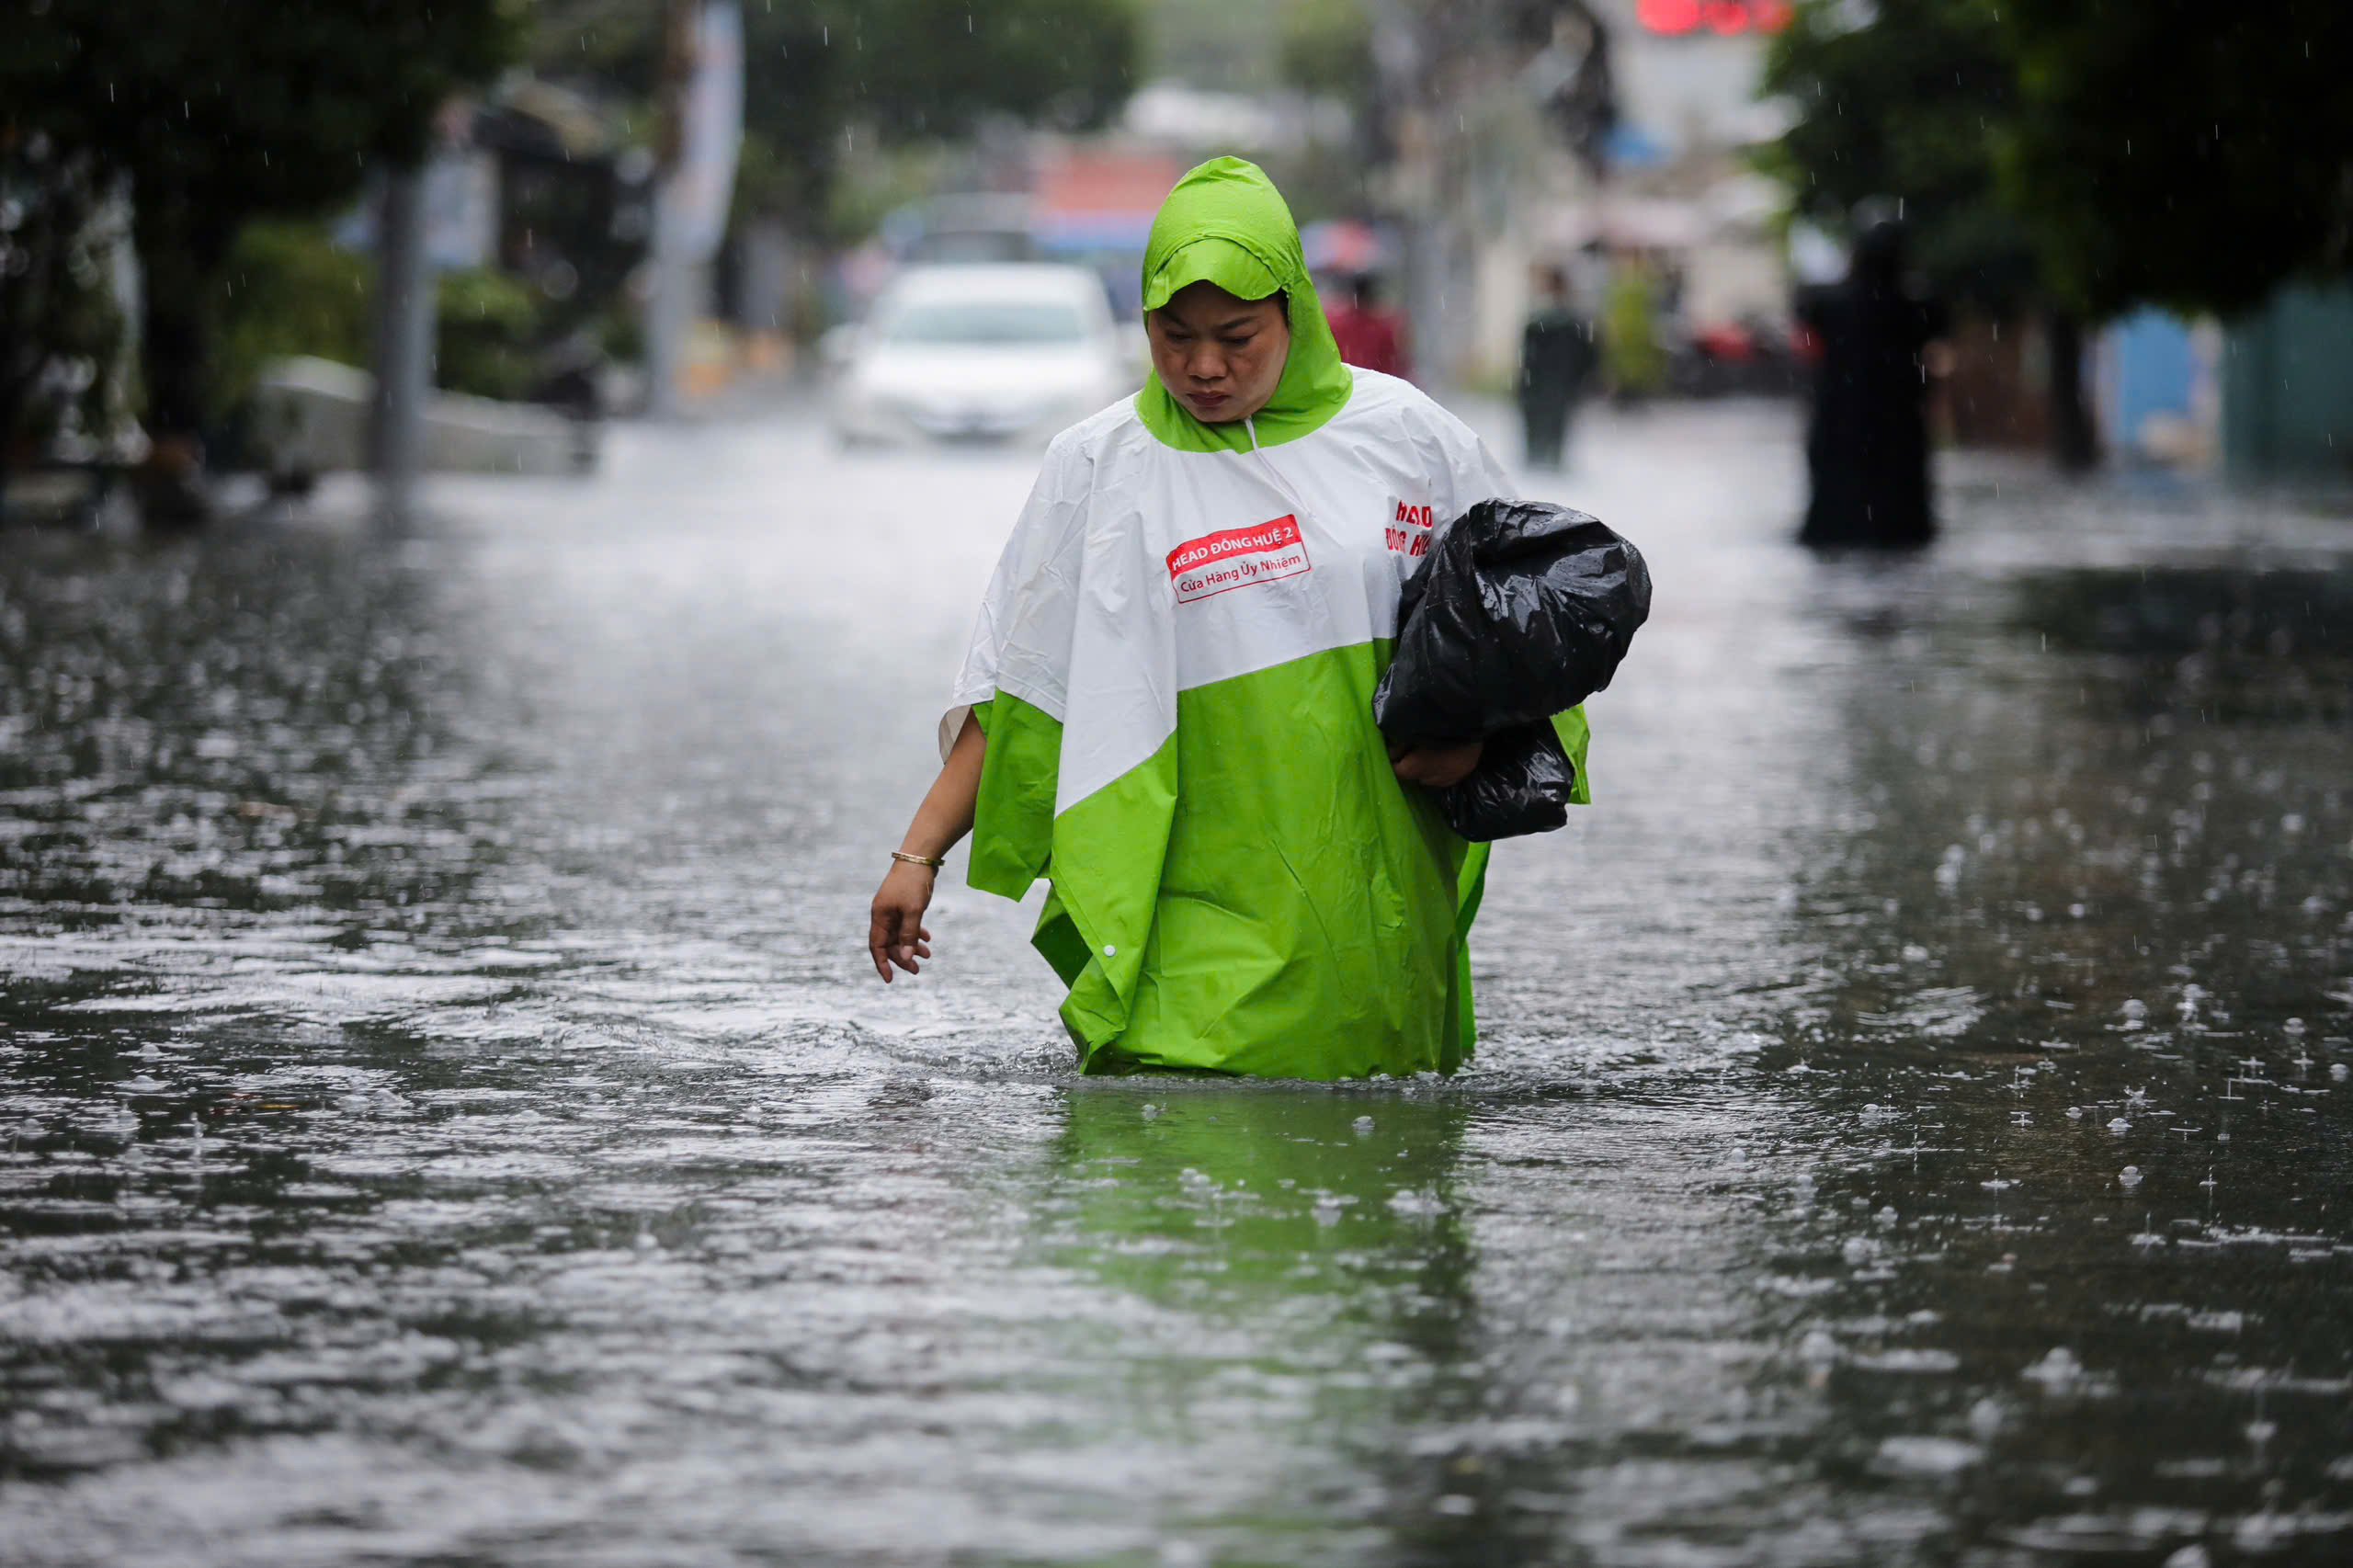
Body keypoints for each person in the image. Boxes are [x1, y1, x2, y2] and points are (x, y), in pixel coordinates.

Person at [866, 157, 1590, 1080]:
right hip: (1182, 914)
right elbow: (1029, 687)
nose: (1203, 366)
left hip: (1377, 912)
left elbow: (1529, 625)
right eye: (1175, 336)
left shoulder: (1408, 437)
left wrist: (1480, 744)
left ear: (1295, 310)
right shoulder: (1098, 466)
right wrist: (915, 855)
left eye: (1236, 336)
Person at [1795, 217, 1948, 548]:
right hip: (1897, 435)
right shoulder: (1918, 308)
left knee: (1834, 527)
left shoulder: (1827, 303)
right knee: (1901, 530)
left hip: (1840, 431)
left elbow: (1804, 308)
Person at [1517, 266, 1596, 470]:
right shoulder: (1571, 322)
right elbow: (1588, 356)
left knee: (1540, 435)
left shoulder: (1541, 320)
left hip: (1543, 385)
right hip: (1557, 385)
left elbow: (1527, 357)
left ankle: (1542, 463)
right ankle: (1547, 463)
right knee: (1553, 434)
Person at [1324, 271, 1411, 381]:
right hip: (1373, 382)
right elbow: (1391, 362)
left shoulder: (1335, 322)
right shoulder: (1384, 326)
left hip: (1343, 381)